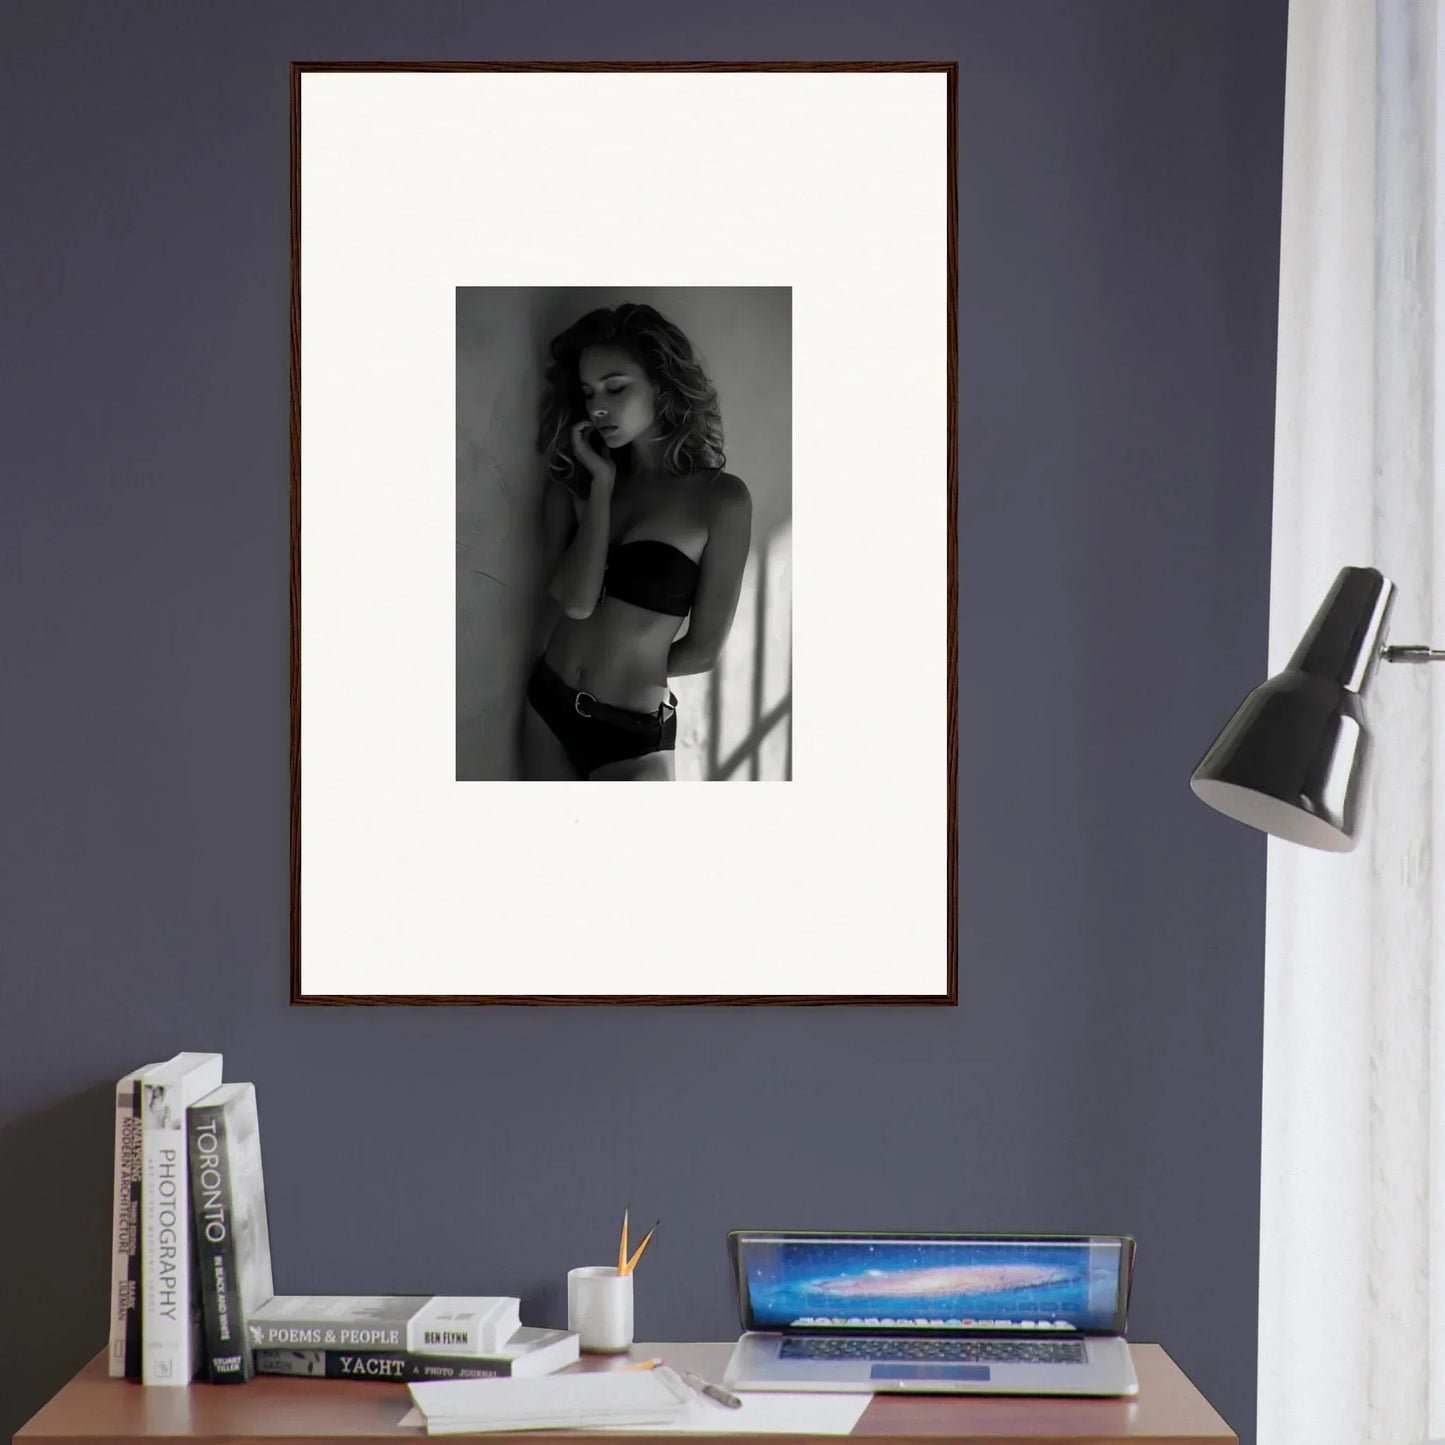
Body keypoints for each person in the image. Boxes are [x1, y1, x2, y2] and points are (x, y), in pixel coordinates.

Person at [522, 303, 752, 780]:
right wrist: (602, 489)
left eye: (616, 386)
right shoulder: (576, 483)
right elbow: (576, 603)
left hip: (628, 734)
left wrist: (625, 671)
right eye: (588, 392)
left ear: (662, 385)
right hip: (546, 705)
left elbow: (704, 651)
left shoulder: (720, 501)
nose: (598, 406)